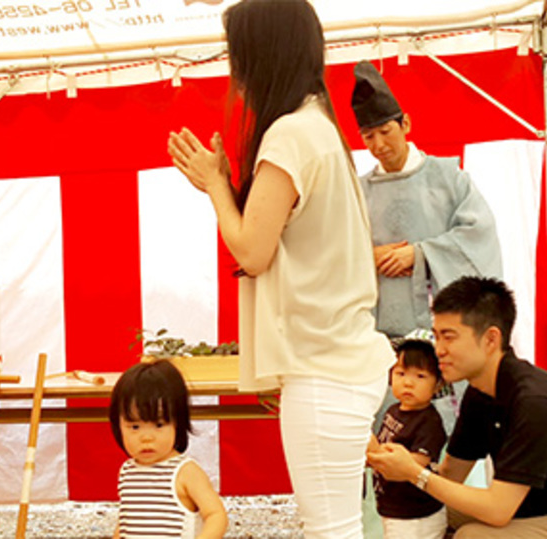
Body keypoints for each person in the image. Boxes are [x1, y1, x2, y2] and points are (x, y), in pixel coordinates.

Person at [167, 0, 391, 536]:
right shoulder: (317, 126)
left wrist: (216, 184)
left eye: (236, 54)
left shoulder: (290, 133)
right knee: (338, 526)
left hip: (325, 371)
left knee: (330, 529)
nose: (233, 69)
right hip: (340, 362)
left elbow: (251, 251)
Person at [366, 276, 547, 538]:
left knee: (474, 536)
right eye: (437, 335)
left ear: (491, 339)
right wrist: (385, 458)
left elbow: (497, 510)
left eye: (449, 337)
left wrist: (415, 474)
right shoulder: (479, 393)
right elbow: (450, 477)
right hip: (543, 514)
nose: (438, 349)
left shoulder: (533, 401)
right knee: (430, 514)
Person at [350, 60, 503, 341]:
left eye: (386, 132)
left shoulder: (448, 179)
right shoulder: (358, 192)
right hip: (378, 333)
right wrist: (366, 258)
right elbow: (335, 253)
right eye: (368, 137)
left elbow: (480, 236)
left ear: (405, 123)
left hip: (441, 329)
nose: (379, 145)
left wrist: (421, 254)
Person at [109, 361, 227, 539]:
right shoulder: (128, 471)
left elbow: (216, 515)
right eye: (134, 427)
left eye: (159, 425)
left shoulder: (185, 472)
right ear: (118, 426)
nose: (146, 437)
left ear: (178, 422)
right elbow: (127, 522)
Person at [367, 334, 447, 539]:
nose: (408, 383)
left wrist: (375, 453)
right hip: (392, 507)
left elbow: (415, 465)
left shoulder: (429, 422)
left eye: (420, 376)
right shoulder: (393, 410)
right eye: (400, 373)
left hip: (415, 515)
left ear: (437, 384)